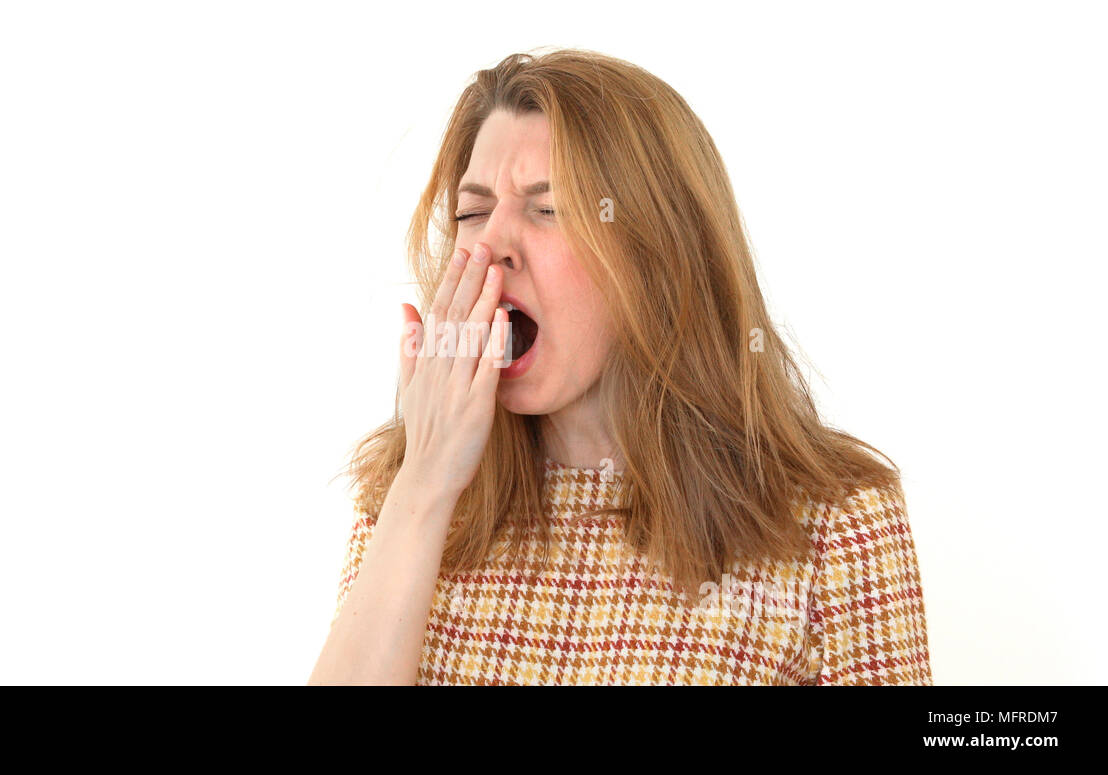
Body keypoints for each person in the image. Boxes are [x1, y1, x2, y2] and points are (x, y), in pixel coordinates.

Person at [308, 48, 932, 685]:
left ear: (657, 253)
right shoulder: (403, 492)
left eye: (547, 209)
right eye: (472, 213)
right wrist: (424, 484)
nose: (488, 245)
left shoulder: (836, 525)